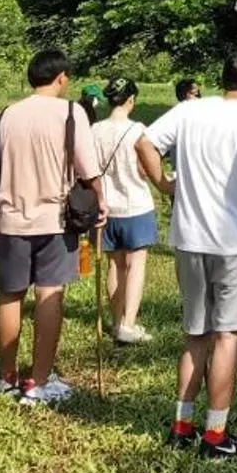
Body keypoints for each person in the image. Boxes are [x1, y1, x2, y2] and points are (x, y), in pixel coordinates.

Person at [145, 53, 237, 460]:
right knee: (226, 336)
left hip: (188, 239)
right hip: (234, 243)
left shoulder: (190, 109)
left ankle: (181, 425)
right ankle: (215, 435)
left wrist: (163, 184)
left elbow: (144, 142)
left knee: (195, 334)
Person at [0, 48, 105, 406]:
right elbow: (88, 169)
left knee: (10, 294)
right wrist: (101, 204)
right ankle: (37, 382)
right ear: (61, 78)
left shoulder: (7, 114)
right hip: (55, 220)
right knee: (49, 294)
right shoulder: (71, 113)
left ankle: (6, 377)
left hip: (10, 218)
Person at [91, 76, 166, 345]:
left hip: (106, 207)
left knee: (115, 264)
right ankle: (129, 324)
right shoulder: (138, 130)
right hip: (136, 205)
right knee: (136, 264)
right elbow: (145, 170)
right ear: (131, 100)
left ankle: (115, 320)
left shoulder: (95, 130)